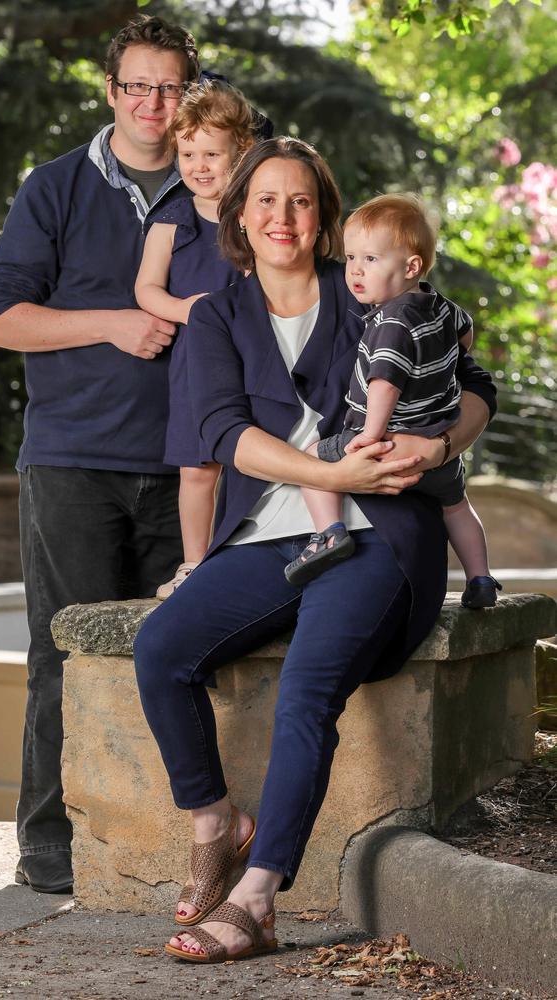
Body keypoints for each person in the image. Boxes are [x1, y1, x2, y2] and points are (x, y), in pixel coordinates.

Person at [133, 137, 496, 962]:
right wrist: (325, 466)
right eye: (265, 200)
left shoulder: (373, 286)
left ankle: (257, 899)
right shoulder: (217, 316)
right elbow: (226, 434)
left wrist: (436, 452)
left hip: (381, 535)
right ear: (239, 216)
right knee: (160, 648)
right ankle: (215, 821)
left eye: (300, 201)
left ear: (324, 216)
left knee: (307, 691)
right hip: (272, 531)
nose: (282, 217)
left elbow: (476, 388)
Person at [0, 15, 200, 895]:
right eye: (137, 86)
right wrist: (112, 322)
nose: (153, 103)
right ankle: (49, 844)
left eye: (170, 87)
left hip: (193, 466)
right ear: (111, 92)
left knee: (176, 653)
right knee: (61, 655)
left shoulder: (216, 190)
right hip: (73, 461)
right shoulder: (57, 186)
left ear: (189, 94)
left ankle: (161, 838)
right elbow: (1, 320)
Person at [284, 193, 501, 610]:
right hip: (437, 437)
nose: (355, 271)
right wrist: (448, 362)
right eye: (350, 258)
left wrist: (369, 435)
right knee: (456, 508)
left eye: (370, 259)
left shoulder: (391, 323)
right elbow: (465, 334)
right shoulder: (437, 305)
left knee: (311, 462)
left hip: (390, 437)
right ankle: (481, 578)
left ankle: (329, 533)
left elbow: (384, 383)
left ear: (411, 266)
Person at [135, 80, 255, 599]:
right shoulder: (170, 222)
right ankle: (194, 563)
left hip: (254, 358)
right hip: (196, 362)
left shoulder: (255, 217)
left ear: (241, 152)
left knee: (255, 462)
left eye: (212, 153)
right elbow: (146, 290)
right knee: (198, 469)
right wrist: (188, 311)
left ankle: (252, 560)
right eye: (188, 153)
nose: (199, 165)